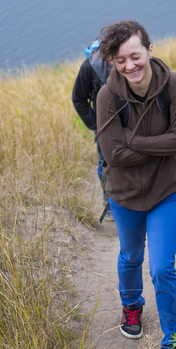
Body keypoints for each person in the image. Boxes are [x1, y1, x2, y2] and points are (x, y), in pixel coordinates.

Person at [94, 20, 176, 349]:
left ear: (150, 51)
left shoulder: (175, 86)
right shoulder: (108, 96)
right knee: (131, 256)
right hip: (124, 195)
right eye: (120, 60)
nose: (129, 66)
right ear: (113, 62)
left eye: (135, 56)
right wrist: (157, 145)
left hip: (167, 191)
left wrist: (132, 142)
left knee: (162, 268)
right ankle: (132, 306)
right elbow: (114, 156)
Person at [71, 39, 113, 220]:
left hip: (130, 123)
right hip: (104, 127)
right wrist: (95, 125)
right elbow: (78, 98)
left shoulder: (127, 61)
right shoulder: (89, 67)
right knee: (105, 163)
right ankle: (109, 204)